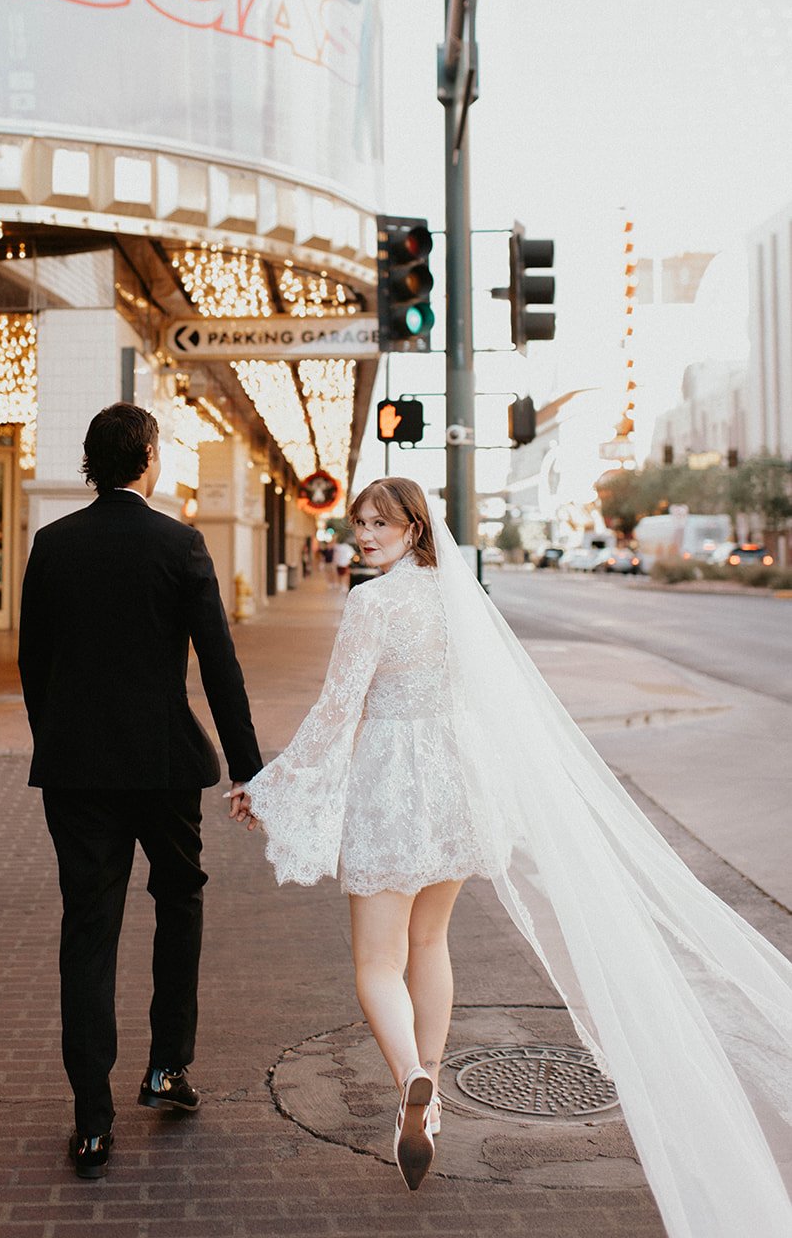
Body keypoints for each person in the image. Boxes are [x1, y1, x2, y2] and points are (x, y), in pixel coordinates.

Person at [231, 478, 792, 1232]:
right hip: (459, 784)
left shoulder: (372, 603)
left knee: (375, 962)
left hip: (395, 788)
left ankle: (412, 1080)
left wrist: (269, 788)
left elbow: (338, 711)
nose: (364, 534)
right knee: (432, 940)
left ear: (412, 527)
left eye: (379, 523)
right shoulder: (459, 598)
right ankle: (429, 1107)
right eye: (358, 522)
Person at [19, 403, 263, 1182]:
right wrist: (248, 766)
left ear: (93, 462)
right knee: (180, 898)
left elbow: (33, 661)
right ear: (148, 459)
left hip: (76, 770)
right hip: (163, 765)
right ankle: (166, 1068)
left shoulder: (52, 545)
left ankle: (91, 1120)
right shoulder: (179, 543)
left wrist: (58, 737)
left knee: (87, 929)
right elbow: (218, 664)